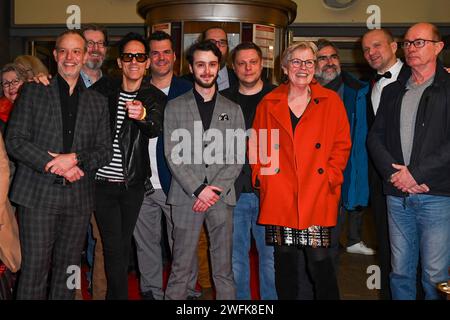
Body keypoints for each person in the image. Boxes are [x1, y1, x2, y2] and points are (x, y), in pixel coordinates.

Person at [6, 29, 112, 299]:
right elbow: (15, 141)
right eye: (63, 50)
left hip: (77, 199)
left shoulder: (98, 103)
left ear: (85, 55)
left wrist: (74, 159)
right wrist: (53, 163)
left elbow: (104, 151)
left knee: (68, 273)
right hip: (38, 196)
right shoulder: (33, 93)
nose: (69, 57)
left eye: (76, 51)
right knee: (34, 272)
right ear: (54, 55)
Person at [249, 41, 351, 300]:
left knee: (321, 264)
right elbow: (259, 147)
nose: (303, 67)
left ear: (315, 68)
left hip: (316, 193)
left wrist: (331, 176)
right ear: (285, 68)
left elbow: (342, 145)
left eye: (309, 62)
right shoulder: (268, 102)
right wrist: (263, 179)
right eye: (296, 61)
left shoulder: (330, 101)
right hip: (280, 195)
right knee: (285, 265)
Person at [367, 22, 450, 300]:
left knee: (435, 275)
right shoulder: (393, 91)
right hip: (397, 194)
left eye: (419, 42)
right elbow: (374, 139)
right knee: (399, 272)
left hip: (437, 196)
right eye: (408, 43)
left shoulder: (447, 88)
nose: (411, 48)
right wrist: (396, 176)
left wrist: (415, 174)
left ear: (438, 47)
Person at [163, 40, 245, 300]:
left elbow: (237, 156)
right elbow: (172, 154)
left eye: (212, 65)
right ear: (191, 67)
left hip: (221, 198)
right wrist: (199, 189)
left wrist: (214, 190)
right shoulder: (174, 106)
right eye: (201, 65)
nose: (207, 70)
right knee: (180, 268)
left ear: (219, 68)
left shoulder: (233, 110)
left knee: (223, 270)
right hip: (186, 196)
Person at [91, 32, 165, 300]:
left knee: (120, 246)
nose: (134, 61)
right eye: (128, 56)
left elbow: (155, 127)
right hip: (101, 184)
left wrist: (142, 116)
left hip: (132, 184)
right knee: (113, 247)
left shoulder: (154, 96)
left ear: (147, 63)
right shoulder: (102, 91)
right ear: (120, 62)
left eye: (140, 57)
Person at [133, 30, 193, 300]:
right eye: (154, 52)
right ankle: (152, 292)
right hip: (142, 181)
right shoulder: (135, 88)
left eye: (165, 52)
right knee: (146, 244)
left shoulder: (189, 90)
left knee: (181, 244)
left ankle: (187, 293)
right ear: (147, 59)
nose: (160, 57)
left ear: (174, 56)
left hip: (179, 183)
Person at [221, 42, 277, 300]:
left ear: (261, 63)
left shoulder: (279, 97)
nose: (247, 68)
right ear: (233, 67)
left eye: (253, 62)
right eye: (241, 63)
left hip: (272, 193)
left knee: (270, 258)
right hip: (234, 192)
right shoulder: (224, 100)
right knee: (236, 258)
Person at [314, 39, 374, 260]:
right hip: (315, 169)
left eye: (333, 57)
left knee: (347, 207)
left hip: (347, 164)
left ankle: (347, 243)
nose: (329, 62)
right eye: (323, 58)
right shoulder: (302, 91)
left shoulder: (358, 91)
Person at [361, 28, 403, 300]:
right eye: (366, 50)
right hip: (380, 181)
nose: (371, 53)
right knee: (387, 248)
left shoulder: (422, 78)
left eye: (377, 45)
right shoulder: (370, 87)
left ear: (394, 46)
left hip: (412, 179)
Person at [0, 63, 27, 134]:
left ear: (25, 82)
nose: (11, 87)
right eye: (6, 83)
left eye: (15, 81)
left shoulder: (36, 105)